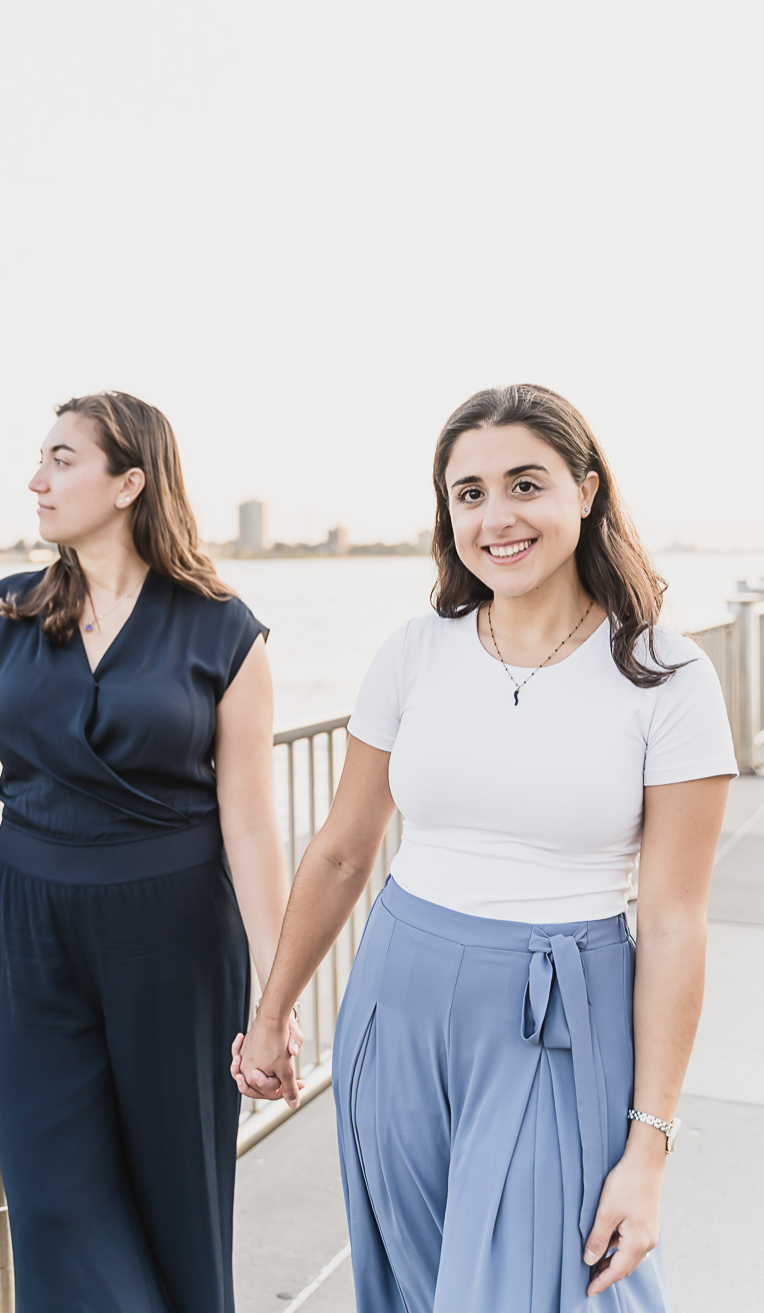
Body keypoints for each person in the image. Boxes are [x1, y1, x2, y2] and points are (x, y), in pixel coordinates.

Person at [232, 384, 737, 1312]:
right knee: (418, 1287)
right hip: (397, 998)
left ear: (586, 492)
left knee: (539, 1288)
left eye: (524, 484)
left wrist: (649, 1147)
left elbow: (672, 924)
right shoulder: (416, 652)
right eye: (469, 493)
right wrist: (272, 1016)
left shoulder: (667, 675)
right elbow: (344, 853)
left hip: (557, 1011)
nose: (496, 517)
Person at [0, 390, 299, 1313]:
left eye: (62, 459)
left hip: (173, 939)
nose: (37, 479)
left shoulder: (222, 629)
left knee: (179, 1207)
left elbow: (249, 820)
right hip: (34, 939)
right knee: (55, 1209)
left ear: (130, 481)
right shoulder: (3, 614)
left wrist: (276, 995)